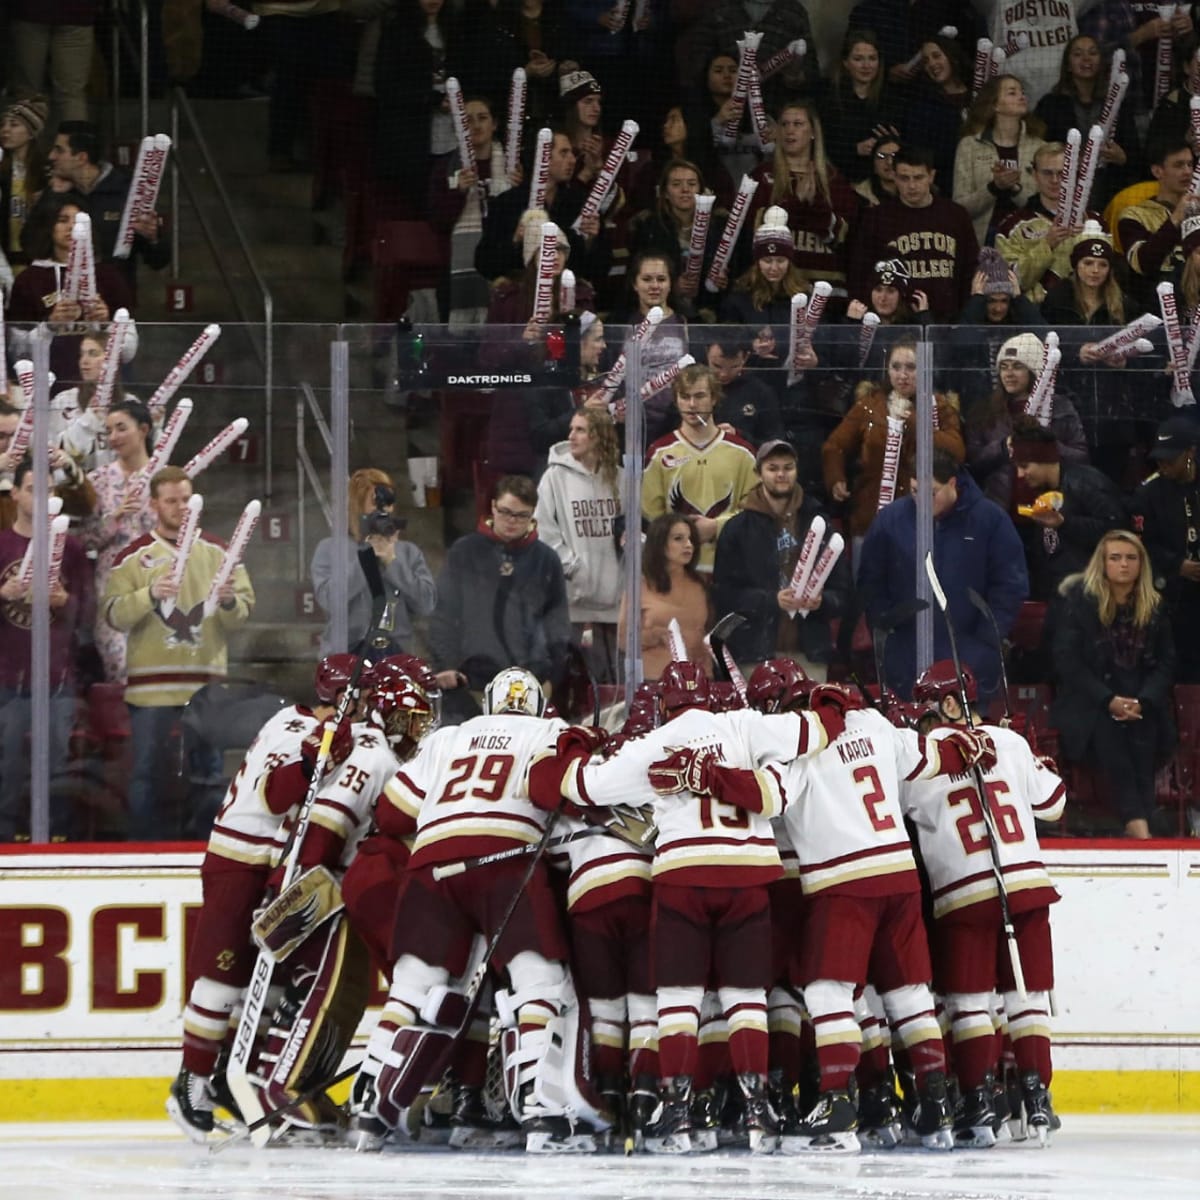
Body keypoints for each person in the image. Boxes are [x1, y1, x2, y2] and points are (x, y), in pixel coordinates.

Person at [558, 661, 844, 1155]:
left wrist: (575, 747)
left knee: (679, 1001)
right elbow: (820, 728)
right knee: (746, 999)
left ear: (665, 702)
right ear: (709, 695)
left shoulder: (653, 743)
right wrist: (835, 701)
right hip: (749, 876)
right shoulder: (742, 725)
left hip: (683, 878)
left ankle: (677, 1113)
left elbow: (582, 789)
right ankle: (759, 1114)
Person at [356, 666, 583, 1153]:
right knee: (538, 983)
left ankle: (371, 1106)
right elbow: (561, 793)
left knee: (412, 988)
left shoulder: (447, 738)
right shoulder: (551, 731)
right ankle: (540, 1110)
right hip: (509, 861)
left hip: (433, 866)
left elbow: (392, 813)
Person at [166, 653, 356, 1142]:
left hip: (268, 868)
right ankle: (190, 1084)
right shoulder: (291, 729)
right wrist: (319, 755)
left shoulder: (317, 729)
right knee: (222, 979)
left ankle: (230, 1077)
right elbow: (275, 795)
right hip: (238, 860)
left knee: (261, 982)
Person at [903, 661, 1066, 1147]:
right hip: (1026, 884)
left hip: (964, 893)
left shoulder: (921, 755)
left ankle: (979, 1106)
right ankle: (1037, 1101)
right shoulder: (1011, 742)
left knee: (971, 1005)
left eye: (930, 710)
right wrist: (1033, 758)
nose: (922, 722)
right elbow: (1054, 804)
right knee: (1027, 999)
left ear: (950, 704)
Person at [100, 466, 255, 839]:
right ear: (154, 504)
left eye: (186, 499)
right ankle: (141, 853)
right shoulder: (133, 556)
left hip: (206, 686)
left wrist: (232, 602)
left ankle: (205, 849)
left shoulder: (219, 552)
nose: (181, 507)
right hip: (151, 689)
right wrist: (149, 595)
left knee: (210, 774)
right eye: (171, 500)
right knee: (147, 774)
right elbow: (113, 615)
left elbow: (243, 613)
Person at [858, 447, 1029, 700]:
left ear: (952, 483)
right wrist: (888, 636)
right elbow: (871, 583)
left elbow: (1010, 585)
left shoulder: (990, 521)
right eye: (915, 492)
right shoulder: (890, 521)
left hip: (970, 663)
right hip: (904, 661)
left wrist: (984, 641)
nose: (922, 502)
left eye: (931, 493)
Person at [1051, 529, 1176, 838]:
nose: (1124, 565)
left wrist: (1143, 701)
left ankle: (1142, 824)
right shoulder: (1080, 602)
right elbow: (1068, 662)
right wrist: (1108, 699)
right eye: (1116, 558)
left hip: (1142, 705)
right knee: (1111, 737)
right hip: (1091, 706)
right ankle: (1141, 830)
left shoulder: (1155, 607)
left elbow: (1167, 663)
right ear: (1102, 563)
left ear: (1141, 564)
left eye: (1131, 558)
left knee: (1142, 734)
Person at [0, 457, 94, 842]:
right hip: (7, 678)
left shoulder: (69, 547)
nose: (42, 497)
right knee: (9, 764)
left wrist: (64, 601)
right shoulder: (1, 543)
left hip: (57, 678)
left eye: (49, 490)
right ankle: (6, 839)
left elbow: (88, 609)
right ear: (17, 493)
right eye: (33, 489)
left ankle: (57, 840)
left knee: (58, 764)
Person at [428, 474, 571, 707]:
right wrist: (445, 667)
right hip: (469, 681)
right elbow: (444, 615)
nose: (512, 521)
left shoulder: (547, 559)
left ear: (533, 514)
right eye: (505, 512)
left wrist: (551, 679)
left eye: (521, 515)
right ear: (493, 507)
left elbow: (557, 625)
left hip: (527, 683)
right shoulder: (464, 552)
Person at [712, 438, 849, 678]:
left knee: (811, 717)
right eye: (773, 468)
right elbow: (724, 596)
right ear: (758, 473)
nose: (781, 474)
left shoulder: (818, 522)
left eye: (788, 467)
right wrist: (771, 600)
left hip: (809, 654)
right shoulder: (737, 529)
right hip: (755, 654)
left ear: (797, 470)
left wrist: (822, 601)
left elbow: (843, 591)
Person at [821, 339, 965, 558]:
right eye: (896, 367)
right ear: (887, 370)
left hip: (923, 519)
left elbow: (957, 452)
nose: (903, 375)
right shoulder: (869, 405)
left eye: (911, 367)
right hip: (869, 517)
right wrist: (835, 477)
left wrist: (919, 426)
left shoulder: (939, 407)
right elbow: (835, 445)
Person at [534, 408, 625, 682]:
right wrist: (573, 567)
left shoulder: (622, 478)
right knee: (566, 673)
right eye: (571, 429)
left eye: (580, 430)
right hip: (571, 592)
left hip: (614, 595)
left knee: (611, 679)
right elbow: (543, 529)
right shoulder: (555, 477)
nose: (571, 436)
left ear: (599, 436)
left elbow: (636, 527)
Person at [641, 363, 758, 574]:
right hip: (678, 573)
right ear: (676, 400)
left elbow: (755, 513)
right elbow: (651, 518)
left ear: (714, 398)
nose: (692, 404)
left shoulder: (743, 453)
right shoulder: (658, 453)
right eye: (685, 397)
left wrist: (716, 526)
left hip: (731, 572)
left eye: (700, 396)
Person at [310, 467, 436, 659]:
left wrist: (393, 561)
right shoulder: (330, 549)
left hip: (396, 654)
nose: (383, 510)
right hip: (347, 653)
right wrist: (367, 557)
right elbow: (330, 600)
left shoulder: (408, 553)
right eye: (376, 503)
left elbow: (427, 603)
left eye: (388, 502)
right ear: (357, 506)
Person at [848, 144, 980, 322]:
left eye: (918, 177)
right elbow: (861, 273)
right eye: (904, 178)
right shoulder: (877, 218)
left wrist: (965, 316)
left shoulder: (956, 216)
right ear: (893, 176)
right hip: (895, 324)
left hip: (949, 322)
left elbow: (969, 270)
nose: (912, 186)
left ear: (931, 176)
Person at [747, 102, 858, 304]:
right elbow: (755, 230)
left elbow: (840, 236)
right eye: (784, 124)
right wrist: (796, 202)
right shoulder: (762, 176)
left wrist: (814, 203)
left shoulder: (834, 180)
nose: (790, 130)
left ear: (813, 132)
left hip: (826, 290)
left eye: (798, 124)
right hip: (774, 290)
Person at [964, 332, 1089, 510]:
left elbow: (1082, 457)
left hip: (1052, 508)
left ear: (1033, 371)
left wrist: (1046, 446)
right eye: (1004, 367)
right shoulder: (984, 411)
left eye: (1017, 366)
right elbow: (973, 462)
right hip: (1001, 509)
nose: (1008, 373)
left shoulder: (1061, 406)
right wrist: (1003, 447)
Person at [427, 93, 522, 327]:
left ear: (495, 124)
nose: (476, 125)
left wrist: (517, 190)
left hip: (504, 268)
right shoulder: (445, 167)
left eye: (482, 118)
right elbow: (437, 221)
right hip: (457, 271)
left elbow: (523, 220)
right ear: (459, 127)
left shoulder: (514, 167)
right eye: (468, 120)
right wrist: (456, 192)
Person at [1009, 419, 1128, 601]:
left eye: (1024, 466)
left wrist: (1065, 523)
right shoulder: (1042, 494)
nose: (1020, 474)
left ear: (1045, 459)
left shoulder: (1086, 482)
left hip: (1093, 596)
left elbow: (1118, 529)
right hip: (1058, 599)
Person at [81, 399, 156, 682]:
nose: (114, 437)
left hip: (156, 587)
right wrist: (116, 516)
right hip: (111, 590)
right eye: (109, 431)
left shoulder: (165, 479)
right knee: (120, 665)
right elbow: (85, 539)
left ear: (144, 429)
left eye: (121, 428)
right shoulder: (98, 480)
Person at [45, 121, 168, 289]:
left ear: (81, 158)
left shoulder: (127, 191)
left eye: (59, 150)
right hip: (65, 299)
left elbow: (158, 262)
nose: (51, 156)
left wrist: (153, 238)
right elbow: (32, 246)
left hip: (115, 299)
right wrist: (51, 197)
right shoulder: (58, 192)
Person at [1034, 34, 1140, 211]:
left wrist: (1122, 157)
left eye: (1092, 53)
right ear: (1068, 65)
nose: (1086, 59)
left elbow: (1136, 157)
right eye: (1078, 54)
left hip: (1111, 188)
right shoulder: (1050, 104)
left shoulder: (1119, 104)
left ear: (1101, 61)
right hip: (1062, 188)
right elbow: (1039, 149)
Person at [1130, 416, 1200, 684]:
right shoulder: (1148, 494)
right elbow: (1139, 542)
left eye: (1171, 458)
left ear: (1190, 452)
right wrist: (1176, 565)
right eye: (1160, 458)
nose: (1163, 464)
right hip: (1172, 595)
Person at [606, 252, 690, 445]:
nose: (654, 286)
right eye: (647, 279)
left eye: (661, 279)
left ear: (670, 284)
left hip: (677, 423)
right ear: (635, 284)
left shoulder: (686, 322)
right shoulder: (620, 324)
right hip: (630, 425)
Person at [953, 75, 1046, 246]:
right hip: (982, 241)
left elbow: (1045, 206)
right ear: (994, 104)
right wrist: (993, 188)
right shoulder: (969, 146)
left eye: (1022, 92)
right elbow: (960, 208)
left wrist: (1014, 188)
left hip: (1029, 240)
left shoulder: (1039, 148)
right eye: (1012, 93)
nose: (1022, 96)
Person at [618, 513, 709, 681]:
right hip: (655, 679)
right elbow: (624, 640)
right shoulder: (640, 586)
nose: (688, 545)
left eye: (690, 539)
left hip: (698, 679)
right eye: (678, 539)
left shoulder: (700, 584)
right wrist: (653, 636)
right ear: (660, 543)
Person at [994, 142, 1083, 304]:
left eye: (1063, 173)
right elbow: (1008, 283)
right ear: (1035, 175)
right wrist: (1047, 245)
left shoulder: (1093, 221)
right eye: (1047, 173)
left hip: (1083, 319)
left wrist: (1086, 238)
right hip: (1034, 318)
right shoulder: (1011, 226)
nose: (1055, 180)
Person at [1118, 134, 1197, 305]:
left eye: (1190, 164)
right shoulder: (1134, 215)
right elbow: (1142, 263)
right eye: (1178, 165)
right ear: (1157, 171)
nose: (1187, 171)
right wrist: (1175, 218)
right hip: (1155, 314)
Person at [50, 330, 141, 475]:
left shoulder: (131, 403)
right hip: (76, 488)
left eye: (93, 354)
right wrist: (89, 419)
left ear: (112, 361)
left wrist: (156, 426)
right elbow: (56, 451)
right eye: (82, 354)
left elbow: (142, 457)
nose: (84, 361)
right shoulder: (63, 401)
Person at [818, 30, 903, 185]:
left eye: (872, 58)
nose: (866, 66)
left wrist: (894, 142)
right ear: (846, 62)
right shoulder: (829, 97)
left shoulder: (892, 98)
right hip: (841, 178)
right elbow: (823, 144)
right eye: (858, 59)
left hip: (884, 180)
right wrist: (855, 149)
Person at [7, 3, 99, 122]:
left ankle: (24, 138)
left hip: (31, 12)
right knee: (72, 94)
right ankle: (72, 138)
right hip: (78, 13)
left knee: (28, 91)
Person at [902, 34, 972, 185]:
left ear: (951, 55)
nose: (932, 64)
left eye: (936, 56)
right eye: (926, 61)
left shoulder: (979, 95)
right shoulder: (922, 106)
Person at [704, 332, 784, 447]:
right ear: (707, 354)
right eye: (717, 366)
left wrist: (739, 437)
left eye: (734, 367)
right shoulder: (693, 390)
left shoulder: (760, 392)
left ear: (745, 358)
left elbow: (774, 443)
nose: (723, 374)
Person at [0, 96, 50, 271]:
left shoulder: (46, 171)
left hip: (36, 260)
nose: (5, 130)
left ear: (31, 133)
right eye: (3, 125)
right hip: (4, 259)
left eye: (14, 125)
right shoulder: (2, 169)